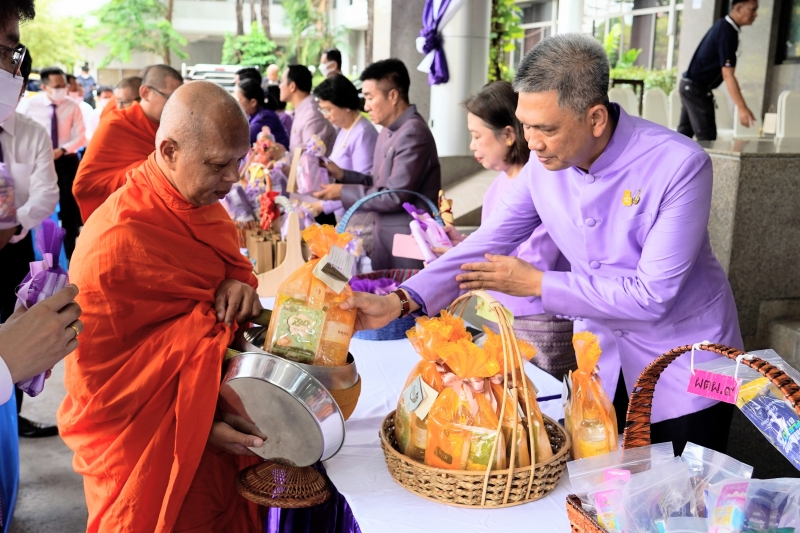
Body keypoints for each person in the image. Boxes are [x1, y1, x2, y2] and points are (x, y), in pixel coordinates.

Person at [342, 34, 743, 456]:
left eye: (546, 129)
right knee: (604, 487)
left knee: (683, 496)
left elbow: (652, 295)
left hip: (687, 363)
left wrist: (537, 284)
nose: (530, 142)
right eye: (525, 125)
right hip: (601, 359)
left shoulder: (680, 164)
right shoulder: (542, 167)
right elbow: (486, 242)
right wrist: (402, 300)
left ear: (596, 119)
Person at [58, 81, 265, 532]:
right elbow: (105, 387)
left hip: (218, 423)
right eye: (218, 164)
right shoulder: (115, 241)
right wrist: (194, 427)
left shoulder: (199, 203)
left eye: (238, 162)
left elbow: (232, 270)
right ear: (169, 150)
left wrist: (240, 283)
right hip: (148, 448)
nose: (234, 178)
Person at [438, 81, 575, 379]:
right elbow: (496, 242)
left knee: (537, 403)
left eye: (476, 136)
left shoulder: (540, 183)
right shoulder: (500, 182)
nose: (472, 146)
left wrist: (466, 264)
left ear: (509, 135)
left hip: (537, 320)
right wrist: (460, 245)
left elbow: (531, 265)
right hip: (502, 313)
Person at [313, 59, 441, 270]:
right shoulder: (389, 130)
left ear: (392, 96)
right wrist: (344, 175)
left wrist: (342, 192)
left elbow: (395, 194)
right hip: (384, 236)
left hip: (405, 240)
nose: (366, 106)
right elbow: (378, 183)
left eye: (370, 97)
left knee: (404, 300)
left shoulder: (413, 132)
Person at [0, 44, 63, 438]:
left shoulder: (31, 134)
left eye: (15, 73)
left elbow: (46, 193)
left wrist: (11, 224)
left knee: (16, 327)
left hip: (12, 248)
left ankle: (12, 416)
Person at [73, 64, 183, 222]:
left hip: (159, 217)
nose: (176, 108)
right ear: (145, 93)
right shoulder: (116, 124)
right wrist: (149, 170)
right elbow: (84, 185)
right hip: (122, 218)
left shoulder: (173, 127)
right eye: (170, 99)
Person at [17, 66, 86, 258]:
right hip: (38, 162)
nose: (62, 89)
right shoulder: (30, 105)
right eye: (57, 86)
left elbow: (81, 136)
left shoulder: (73, 106)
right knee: (38, 205)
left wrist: (62, 149)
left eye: (64, 85)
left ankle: (72, 254)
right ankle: (40, 253)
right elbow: (21, 131)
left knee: (68, 208)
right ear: (45, 87)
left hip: (66, 161)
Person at [678, 0, 758, 141]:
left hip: (690, 86)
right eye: (752, 9)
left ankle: (671, 163)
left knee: (683, 137)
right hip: (696, 89)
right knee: (707, 139)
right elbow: (728, 75)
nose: (755, 14)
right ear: (738, 8)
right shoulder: (727, 31)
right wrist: (742, 108)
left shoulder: (726, 28)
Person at [310, 74, 378, 221]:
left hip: (359, 216)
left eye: (328, 110)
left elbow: (364, 186)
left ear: (345, 106)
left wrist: (323, 206)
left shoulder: (363, 133)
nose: (326, 116)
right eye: (323, 111)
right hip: (344, 213)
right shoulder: (344, 129)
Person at [279, 64, 336, 154]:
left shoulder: (312, 114)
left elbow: (311, 159)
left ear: (292, 87)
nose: (280, 86)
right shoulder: (303, 110)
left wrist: (283, 154)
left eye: (282, 81)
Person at [235, 79, 289, 149]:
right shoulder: (253, 115)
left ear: (253, 102)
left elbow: (243, 140)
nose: (237, 103)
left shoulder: (265, 117)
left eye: (239, 99)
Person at [67, 74, 94, 140]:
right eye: (75, 90)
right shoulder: (58, 108)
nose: (79, 96)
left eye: (82, 94)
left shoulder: (86, 108)